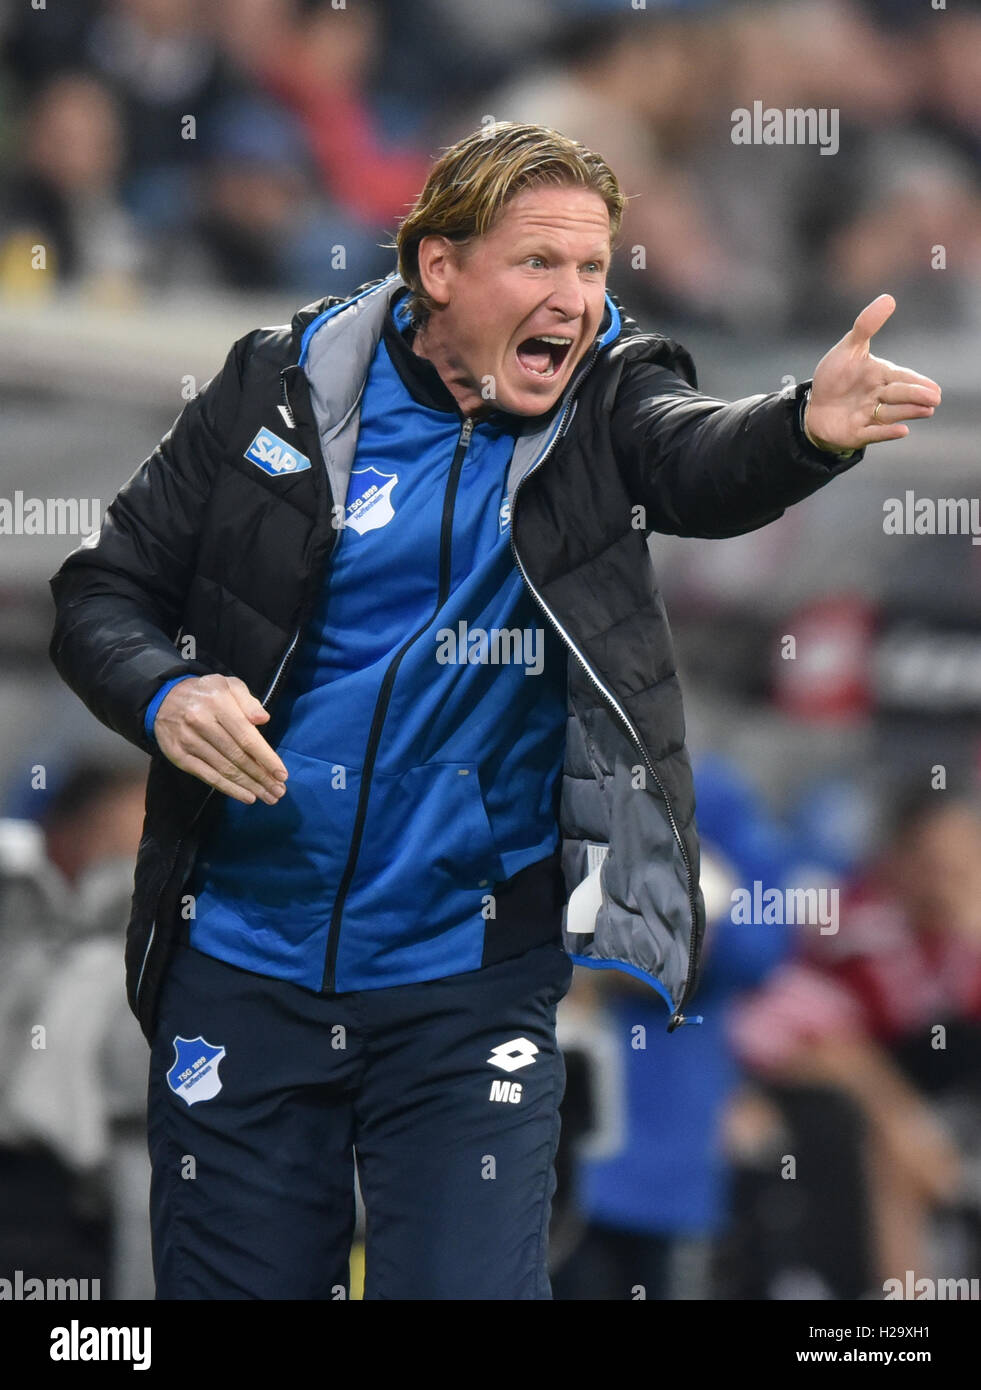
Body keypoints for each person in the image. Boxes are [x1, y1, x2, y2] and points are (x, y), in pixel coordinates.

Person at [47, 121, 941, 1300]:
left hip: (464, 986)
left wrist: (800, 433)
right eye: (539, 264)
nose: (575, 297)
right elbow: (100, 591)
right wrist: (164, 693)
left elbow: (698, 460)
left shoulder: (614, 397)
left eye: (592, 267)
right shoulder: (276, 383)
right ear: (438, 269)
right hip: (243, 955)